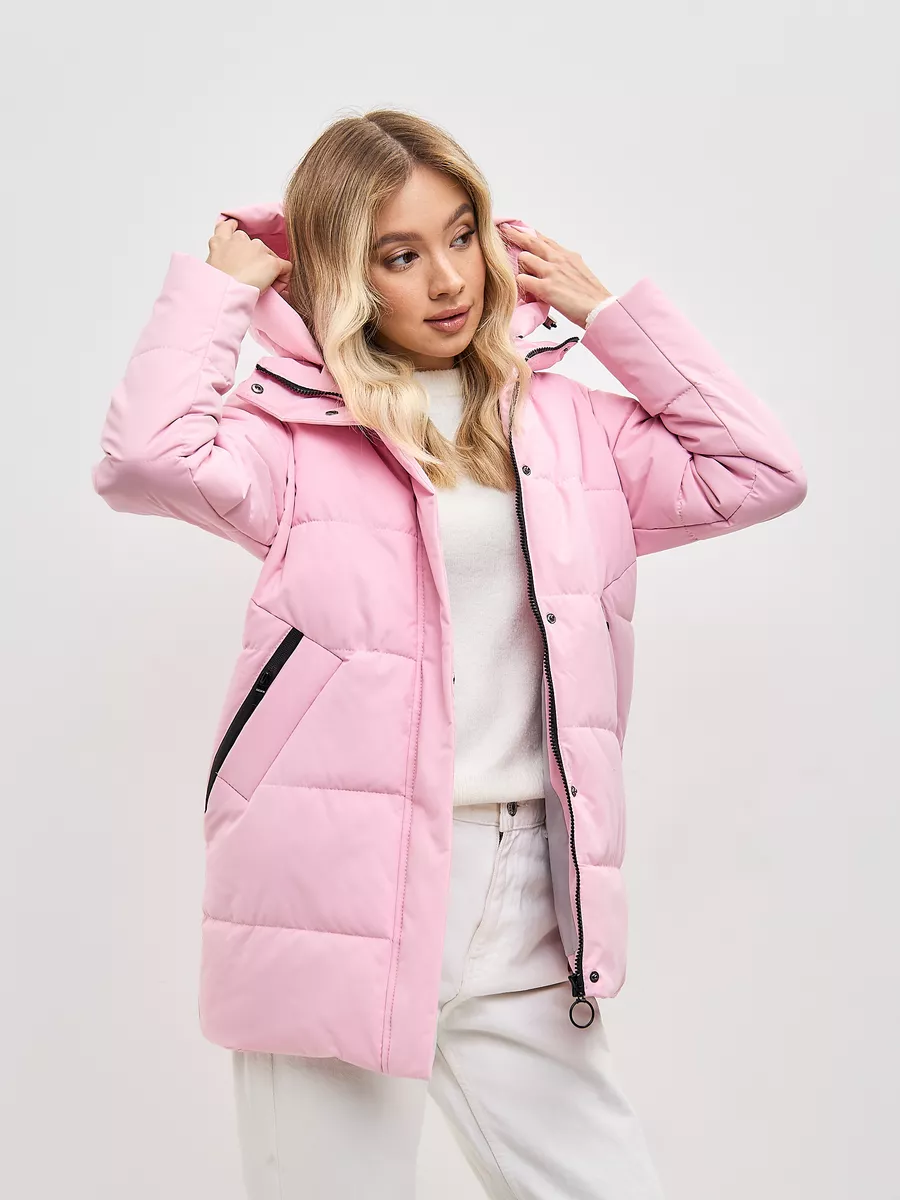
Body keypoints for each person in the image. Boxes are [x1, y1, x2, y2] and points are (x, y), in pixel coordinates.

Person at [91, 108, 808, 1198]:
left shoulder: (570, 426)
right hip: (339, 885)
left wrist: (610, 316)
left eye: (460, 235)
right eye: (399, 254)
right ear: (346, 273)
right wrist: (216, 293)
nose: (447, 279)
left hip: (527, 886)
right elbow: (144, 460)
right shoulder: (296, 435)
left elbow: (760, 472)